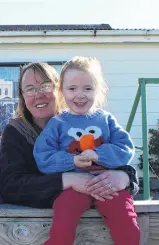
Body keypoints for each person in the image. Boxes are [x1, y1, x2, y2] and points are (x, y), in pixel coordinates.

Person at [0, 62, 139, 233]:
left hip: (98, 225)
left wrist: (125, 177)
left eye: (45, 86)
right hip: (32, 228)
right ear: (22, 96)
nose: (38, 94)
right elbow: (10, 186)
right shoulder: (15, 132)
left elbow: (119, 153)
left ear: (59, 89)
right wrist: (66, 180)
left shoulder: (87, 119)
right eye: (30, 89)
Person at [33, 56, 139, 245]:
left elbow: (125, 148)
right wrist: (71, 161)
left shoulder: (106, 119)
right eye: (72, 89)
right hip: (74, 188)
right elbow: (43, 157)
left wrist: (99, 155)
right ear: (61, 91)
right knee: (62, 226)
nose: (80, 95)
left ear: (97, 90)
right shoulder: (57, 124)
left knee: (128, 227)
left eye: (87, 88)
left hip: (107, 185)